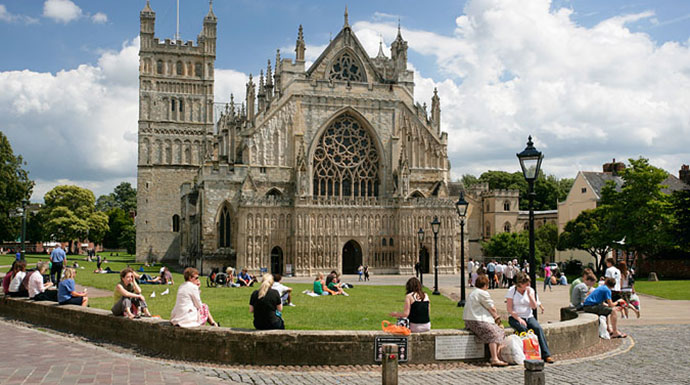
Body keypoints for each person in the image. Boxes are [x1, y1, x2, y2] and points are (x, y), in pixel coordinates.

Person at [506, 272, 554, 363]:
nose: (528, 285)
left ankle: (546, 354)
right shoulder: (512, 291)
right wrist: (518, 319)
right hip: (515, 316)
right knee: (523, 329)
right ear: (519, 284)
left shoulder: (530, 290)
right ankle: (526, 353)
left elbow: (534, 306)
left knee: (538, 328)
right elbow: (509, 309)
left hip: (528, 316)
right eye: (525, 283)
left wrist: (530, 296)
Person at [463, 274, 507, 367]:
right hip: (477, 320)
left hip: (469, 320)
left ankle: (497, 355)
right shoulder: (482, 293)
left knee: (499, 331)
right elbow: (492, 308)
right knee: (493, 333)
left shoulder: (473, 292)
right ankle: (494, 358)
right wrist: (497, 319)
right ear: (486, 285)